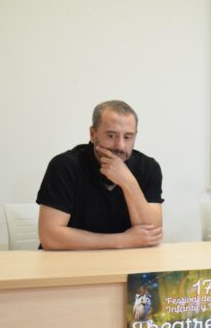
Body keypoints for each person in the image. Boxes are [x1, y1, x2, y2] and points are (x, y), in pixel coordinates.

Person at [37, 100, 163, 250]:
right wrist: (122, 240)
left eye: (127, 137)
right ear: (93, 134)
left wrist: (128, 183)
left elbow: (152, 234)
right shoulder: (65, 166)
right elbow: (50, 237)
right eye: (111, 135)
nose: (120, 145)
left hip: (126, 260)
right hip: (70, 260)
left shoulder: (148, 168)